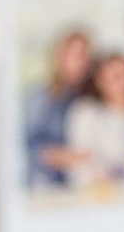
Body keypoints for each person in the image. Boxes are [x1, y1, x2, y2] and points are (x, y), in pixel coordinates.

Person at [65, 54, 124, 190]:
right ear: (100, 81)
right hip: (98, 195)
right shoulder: (86, 113)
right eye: (116, 77)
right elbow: (82, 161)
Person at [24, 30, 91, 187]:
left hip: (81, 185)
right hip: (48, 184)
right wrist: (62, 157)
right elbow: (30, 148)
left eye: (86, 56)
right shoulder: (42, 97)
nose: (82, 62)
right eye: (77, 55)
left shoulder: (87, 95)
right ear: (60, 57)